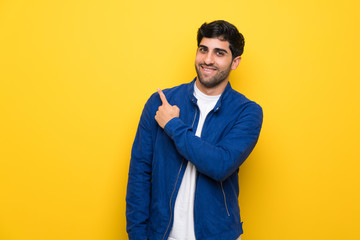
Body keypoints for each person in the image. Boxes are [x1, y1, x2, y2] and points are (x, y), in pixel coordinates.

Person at [126, 20, 263, 240]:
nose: (208, 60)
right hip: (162, 234)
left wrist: (172, 125)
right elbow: (139, 174)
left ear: (235, 61)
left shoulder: (247, 112)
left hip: (219, 235)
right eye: (203, 50)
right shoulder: (161, 103)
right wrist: (137, 235)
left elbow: (220, 164)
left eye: (219, 53)